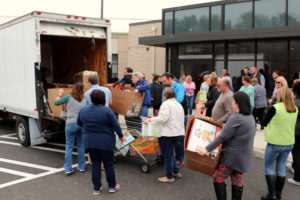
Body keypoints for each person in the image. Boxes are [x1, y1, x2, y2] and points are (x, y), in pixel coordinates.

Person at [197, 92, 256, 200]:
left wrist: (206, 149)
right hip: (243, 157)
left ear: (237, 103)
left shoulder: (236, 118)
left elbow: (222, 137)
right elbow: (237, 131)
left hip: (232, 157)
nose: (232, 102)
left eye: (233, 101)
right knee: (236, 179)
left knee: (218, 177)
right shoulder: (250, 116)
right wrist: (225, 126)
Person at [77, 90, 125, 195]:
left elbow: (79, 123)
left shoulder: (83, 110)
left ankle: (97, 188)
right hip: (106, 141)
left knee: (95, 164)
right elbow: (116, 125)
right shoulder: (107, 111)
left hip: (90, 141)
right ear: (103, 99)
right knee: (108, 164)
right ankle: (112, 186)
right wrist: (121, 136)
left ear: (91, 99)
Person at [261, 87, 298, 200]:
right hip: (289, 142)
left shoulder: (274, 108)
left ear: (280, 95)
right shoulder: (295, 108)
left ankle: (271, 195)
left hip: (275, 143)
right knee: (281, 167)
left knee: (268, 167)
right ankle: (278, 194)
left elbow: (264, 122)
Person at [144, 87, 185, 183]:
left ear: (165, 96)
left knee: (167, 155)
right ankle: (175, 171)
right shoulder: (178, 104)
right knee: (171, 154)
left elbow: (163, 118)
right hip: (178, 132)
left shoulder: (166, 104)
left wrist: (150, 120)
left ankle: (169, 176)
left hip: (168, 133)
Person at [54, 82, 87, 174]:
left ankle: (68, 168)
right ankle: (82, 166)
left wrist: (59, 94)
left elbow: (56, 102)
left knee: (69, 146)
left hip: (71, 123)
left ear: (73, 88)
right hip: (82, 124)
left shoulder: (68, 97)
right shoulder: (85, 99)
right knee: (81, 146)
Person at [161, 72, 188, 168]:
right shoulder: (165, 89)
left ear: (170, 79)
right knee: (168, 137)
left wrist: (168, 106)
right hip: (169, 116)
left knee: (179, 139)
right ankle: (169, 157)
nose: (163, 83)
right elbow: (162, 102)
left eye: (164, 81)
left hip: (180, 116)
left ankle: (179, 159)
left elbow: (179, 100)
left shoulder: (180, 87)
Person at [286, 81, 300, 186]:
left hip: (297, 132)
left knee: (296, 153)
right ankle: (294, 166)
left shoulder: (296, 103)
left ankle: (298, 178)